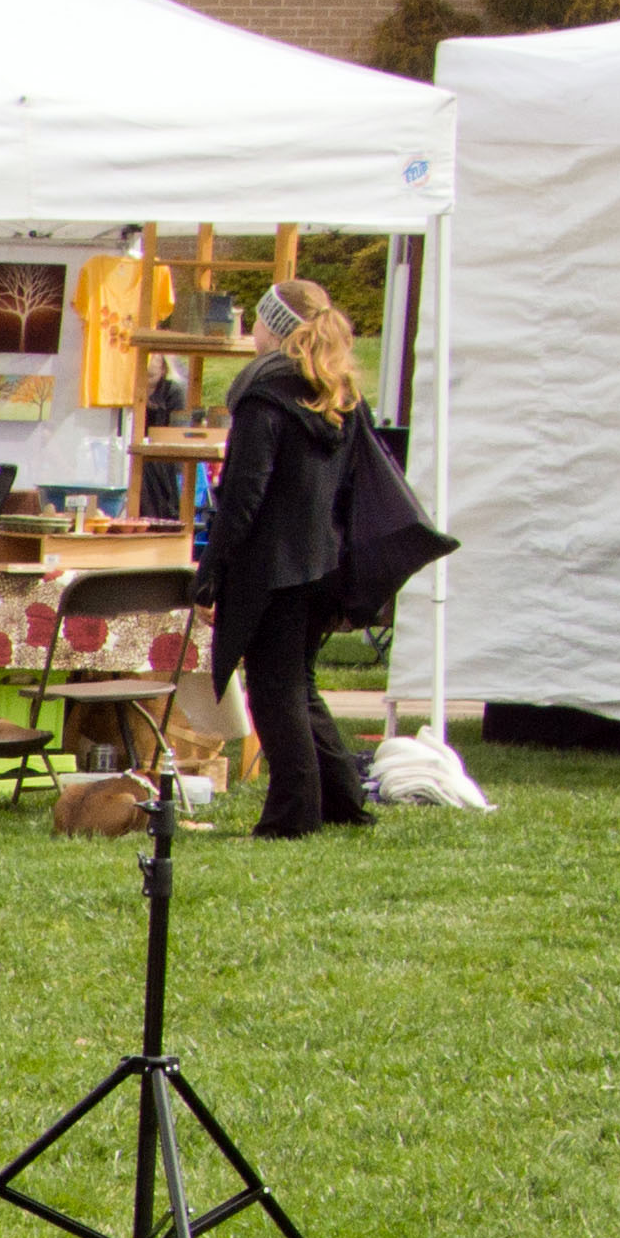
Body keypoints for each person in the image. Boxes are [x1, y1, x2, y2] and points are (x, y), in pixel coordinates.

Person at [208, 278, 390, 841]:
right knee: (299, 686)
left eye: (259, 318)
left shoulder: (264, 395)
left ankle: (293, 817)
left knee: (275, 693)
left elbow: (244, 495)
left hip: (275, 569)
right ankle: (343, 802)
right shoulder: (340, 394)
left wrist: (213, 569)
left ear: (274, 326)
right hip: (325, 564)